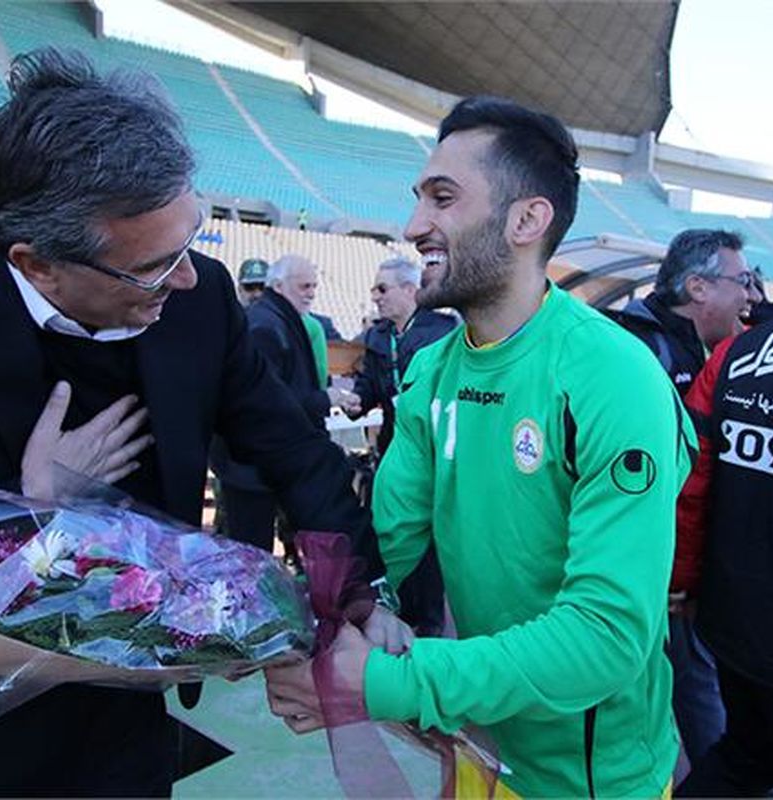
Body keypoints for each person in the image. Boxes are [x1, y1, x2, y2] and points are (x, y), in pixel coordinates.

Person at [0, 48, 402, 797]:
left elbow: (295, 453)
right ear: (37, 265)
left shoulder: (201, 298)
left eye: (190, 239)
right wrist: (25, 513)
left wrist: (357, 598)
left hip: (128, 726)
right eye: (156, 265)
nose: (186, 276)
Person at [264, 95, 694, 797]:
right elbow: (386, 542)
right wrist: (305, 622)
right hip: (475, 743)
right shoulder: (434, 370)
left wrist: (386, 682)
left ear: (527, 219)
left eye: (443, 198)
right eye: (418, 199)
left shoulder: (615, 377)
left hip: (594, 780)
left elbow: (606, 638)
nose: (413, 227)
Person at [608, 228, 760, 765]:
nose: (752, 296)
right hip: (646, 573)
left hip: (685, 571)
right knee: (691, 708)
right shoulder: (633, 349)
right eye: (742, 282)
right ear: (697, 287)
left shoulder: (722, 354)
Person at [674, 308, 773, 797]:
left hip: (735, 622)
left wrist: (682, 582)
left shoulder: (743, 349)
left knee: (745, 758)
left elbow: (689, 482)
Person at [210, 255, 361, 552]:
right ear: (278, 286)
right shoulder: (265, 326)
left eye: (314, 285)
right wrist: (326, 398)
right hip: (253, 469)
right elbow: (266, 405)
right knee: (252, 555)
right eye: (304, 285)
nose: (311, 292)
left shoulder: (277, 320)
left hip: (259, 465)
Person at [350, 256, 457, 637]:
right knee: (393, 528)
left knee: (427, 536)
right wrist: (355, 401)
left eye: (383, 288)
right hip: (395, 450)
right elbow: (368, 386)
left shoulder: (443, 332)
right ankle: (400, 611)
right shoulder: (378, 336)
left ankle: (428, 626)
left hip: (433, 453)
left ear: (410, 289)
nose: (375, 296)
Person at [609, 229, 760, 396]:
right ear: (697, 288)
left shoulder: (675, 346)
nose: (756, 296)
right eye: (745, 281)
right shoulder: (647, 354)